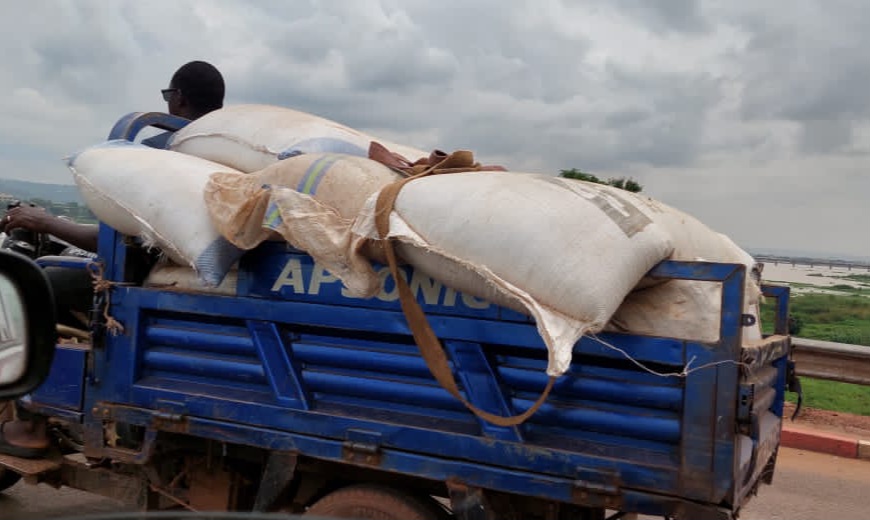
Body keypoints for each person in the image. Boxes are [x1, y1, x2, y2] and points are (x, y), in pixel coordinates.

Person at [0, 60, 225, 459]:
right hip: (176, 273)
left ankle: (31, 424)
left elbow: (119, 238)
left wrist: (44, 221)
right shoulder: (222, 156)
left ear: (179, 99)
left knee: (37, 288)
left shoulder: (165, 153)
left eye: (167, 96)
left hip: (133, 276)